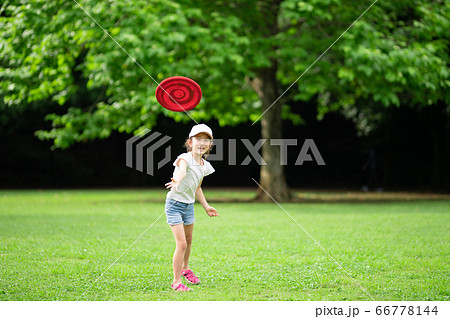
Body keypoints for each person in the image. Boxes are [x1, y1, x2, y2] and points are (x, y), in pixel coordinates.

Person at [164, 124, 219, 292]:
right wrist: (178, 180)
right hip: (174, 205)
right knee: (181, 244)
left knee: (188, 241)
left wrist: (206, 206)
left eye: (206, 140)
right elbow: (181, 171)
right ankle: (176, 282)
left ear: (210, 145)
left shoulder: (205, 166)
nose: (201, 143)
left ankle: (185, 268)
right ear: (190, 142)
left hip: (189, 206)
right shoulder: (184, 158)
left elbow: (197, 187)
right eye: (198, 139)